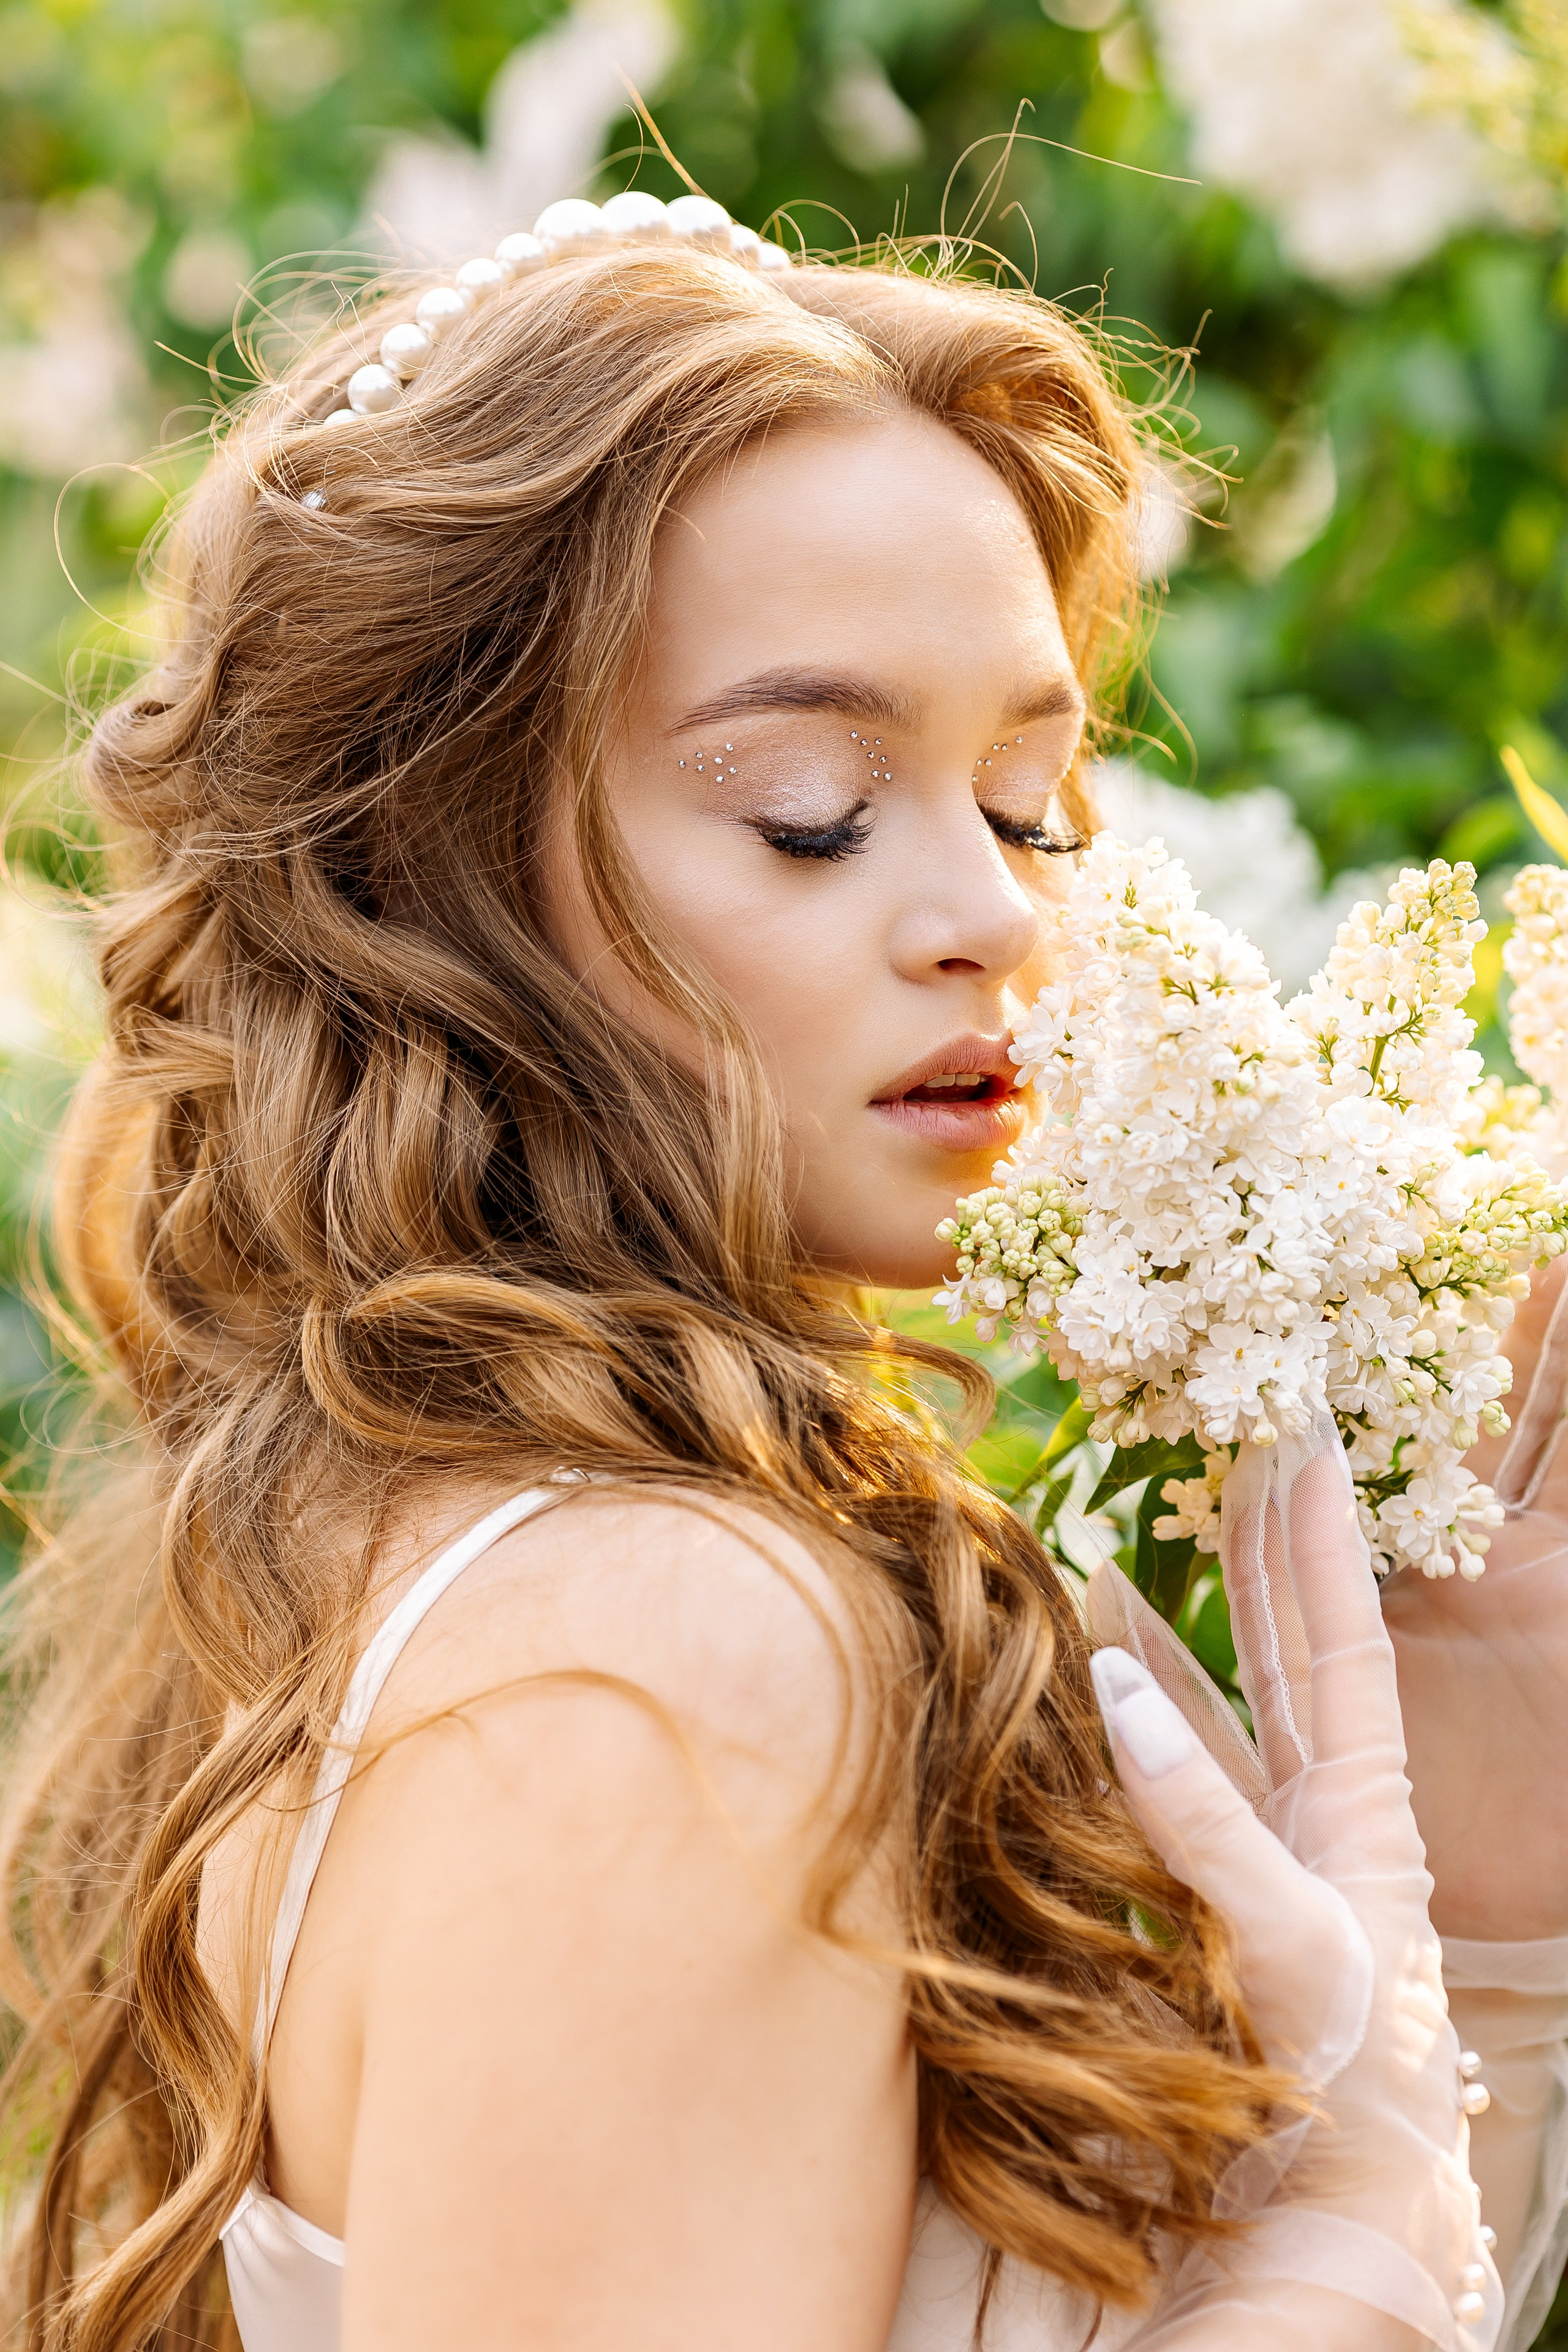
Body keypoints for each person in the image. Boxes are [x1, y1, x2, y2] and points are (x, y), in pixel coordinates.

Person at [0, 189, 1558, 2352]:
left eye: (1030, 805)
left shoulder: (455, 1570)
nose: (993, 917)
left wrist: (1473, 1929)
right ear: (429, 868)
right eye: (814, 810)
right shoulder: (668, 1658)